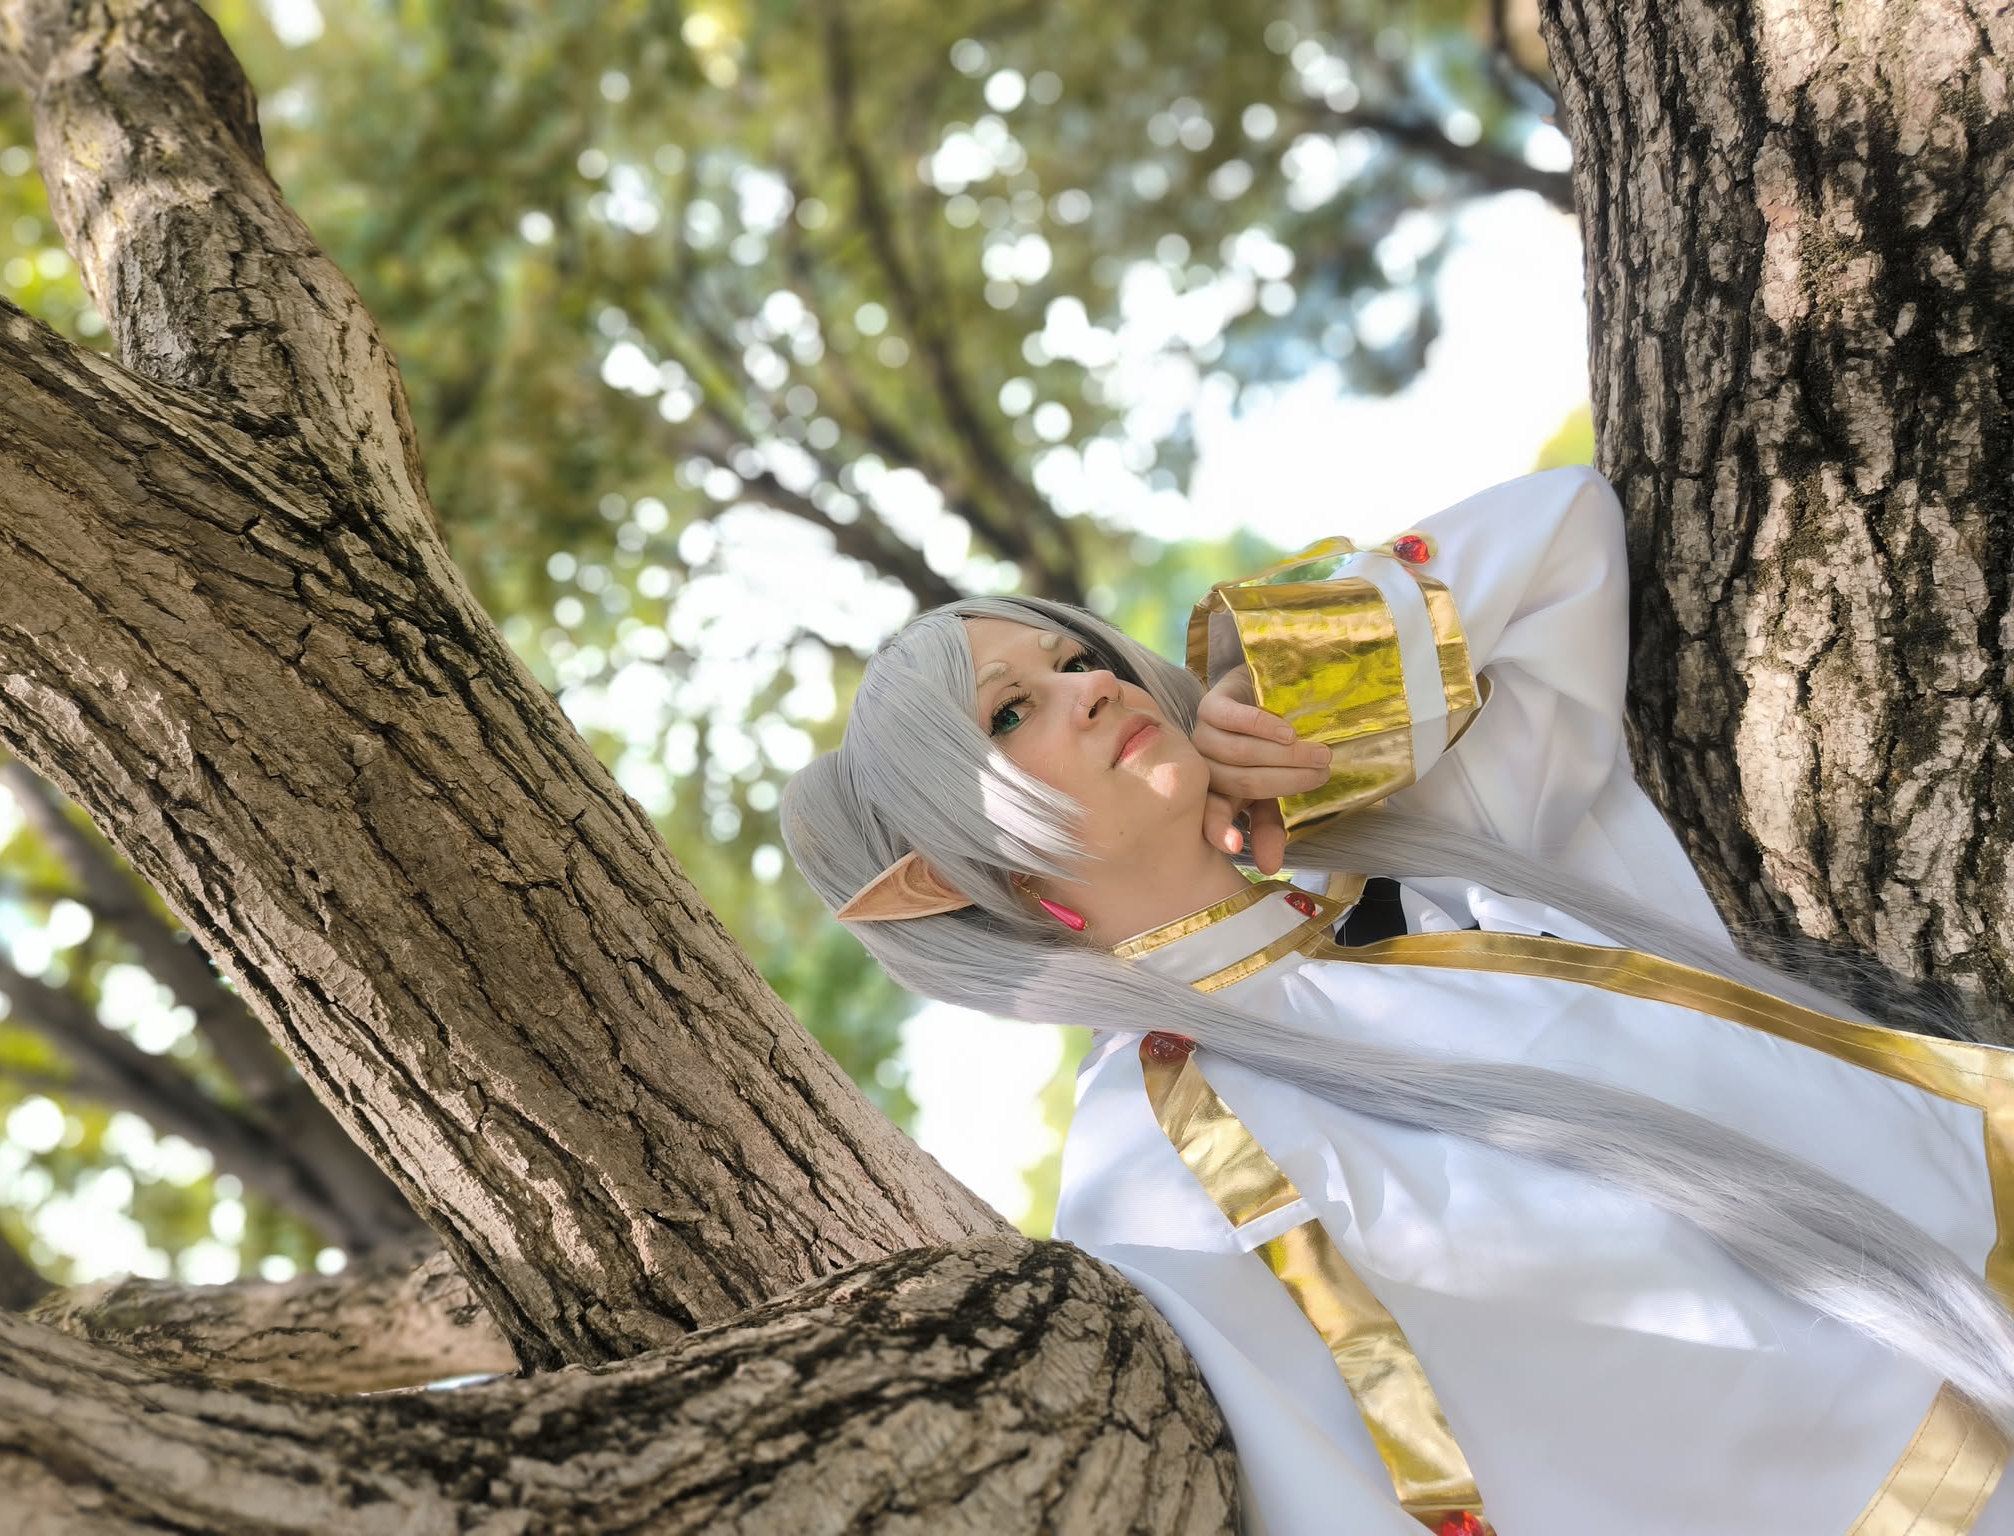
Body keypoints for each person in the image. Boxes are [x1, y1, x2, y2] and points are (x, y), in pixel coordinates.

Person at [779, 466, 2014, 1534]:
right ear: (948, 874)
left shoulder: (1410, 860)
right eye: (1010, 714)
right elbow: (1337, 1497)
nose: (1086, 689)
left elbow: (1564, 531)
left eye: (1071, 659)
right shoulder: (1144, 1171)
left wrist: (1301, 690)